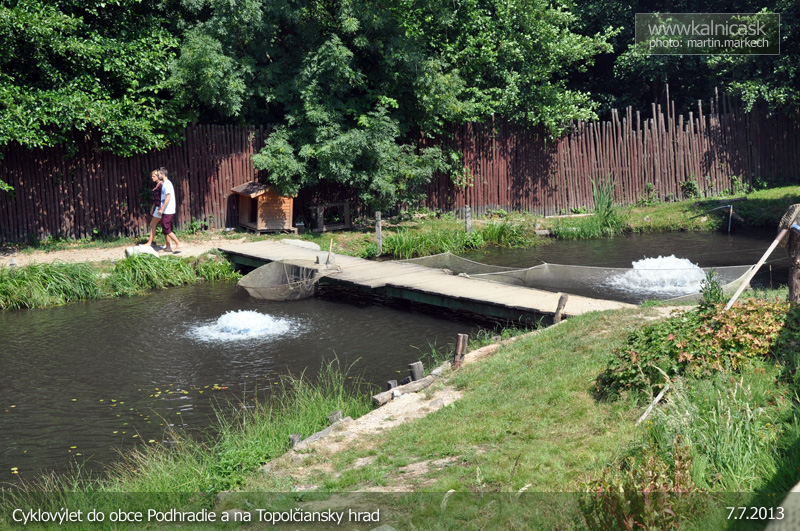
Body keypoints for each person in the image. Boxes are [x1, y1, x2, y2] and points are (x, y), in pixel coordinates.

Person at [157, 167, 182, 253]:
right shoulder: (165, 184)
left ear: (163, 174)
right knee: (165, 227)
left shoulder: (167, 184)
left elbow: (168, 197)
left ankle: (178, 243)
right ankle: (168, 247)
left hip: (168, 209)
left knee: (166, 227)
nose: (158, 176)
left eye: (159, 174)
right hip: (165, 210)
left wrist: (162, 208)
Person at [142, 169, 164, 248]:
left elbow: (163, 197)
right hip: (157, 207)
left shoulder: (161, 185)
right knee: (163, 225)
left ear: (158, 176)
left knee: (153, 224)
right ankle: (169, 244)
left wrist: (161, 208)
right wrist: (152, 208)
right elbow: (155, 199)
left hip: (160, 207)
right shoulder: (157, 185)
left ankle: (149, 243)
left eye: (153, 176)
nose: (152, 177)